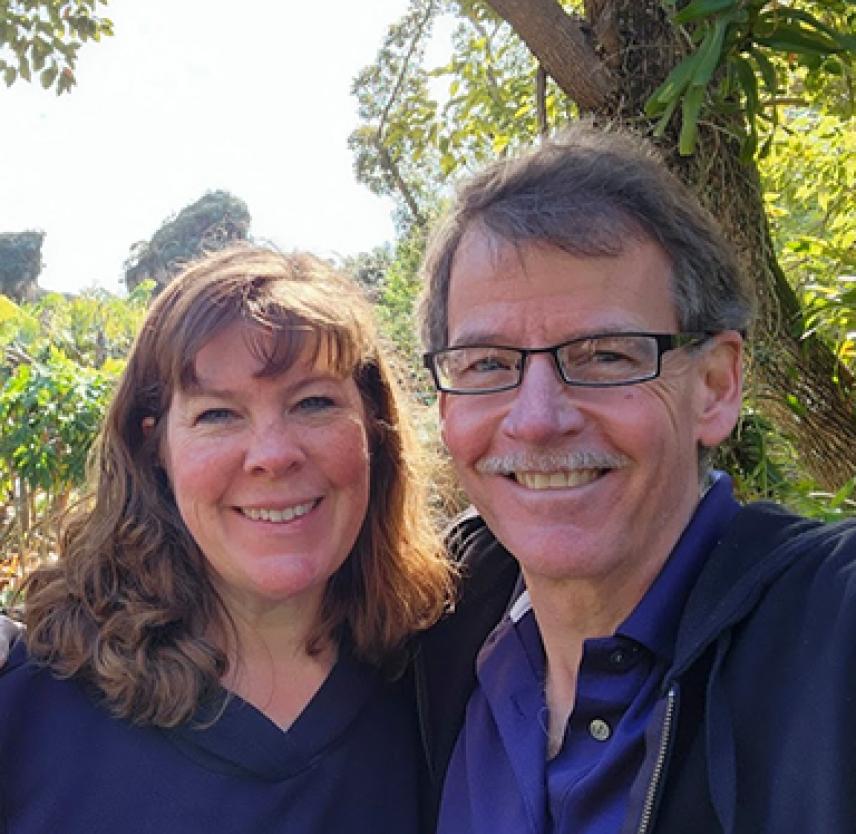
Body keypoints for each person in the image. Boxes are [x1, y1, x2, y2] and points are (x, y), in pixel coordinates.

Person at [413, 124, 856, 834]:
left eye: (606, 356)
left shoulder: (827, 632)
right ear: (446, 408)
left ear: (714, 386)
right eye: (488, 364)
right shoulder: (435, 636)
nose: (536, 419)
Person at [0, 245, 453, 834]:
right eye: (218, 414)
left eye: (313, 403)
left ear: (374, 428)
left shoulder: (450, 682)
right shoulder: (28, 708)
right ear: (154, 448)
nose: (273, 455)